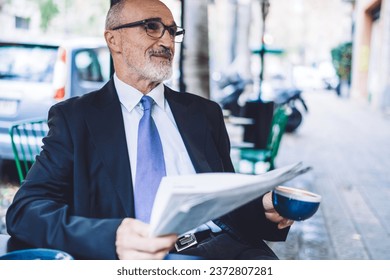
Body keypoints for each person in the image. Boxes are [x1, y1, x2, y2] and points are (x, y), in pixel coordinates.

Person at [6, 0, 293, 260]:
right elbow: (25, 211)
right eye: (152, 27)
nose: (167, 41)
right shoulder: (76, 118)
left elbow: (222, 202)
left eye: (171, 31)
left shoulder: (204, 114)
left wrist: (263, 208)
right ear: (113, 39)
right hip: (137, 260)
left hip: (226, 250)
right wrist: (111, 236)